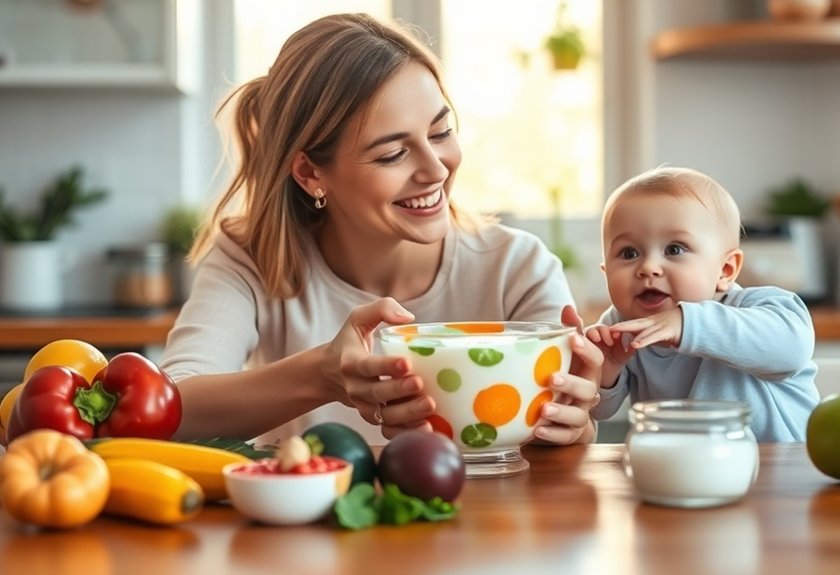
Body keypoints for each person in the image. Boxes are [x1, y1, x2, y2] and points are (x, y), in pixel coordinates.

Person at [159, 13, 601, 448]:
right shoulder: (250, 259)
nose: (435, 169)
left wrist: (574, 424)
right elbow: (166, 406)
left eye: (441, 131)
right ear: (311, 172)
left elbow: (561, 429)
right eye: (392, 154)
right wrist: (322, 375)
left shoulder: (518, 267)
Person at [585, 166, 819, 441]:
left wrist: (688, 323)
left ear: (726, 270)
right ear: (606, 272)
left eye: (674, 249)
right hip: (685, 470)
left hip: (782, 469)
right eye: (629, 253)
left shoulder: (758, 307)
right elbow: (601, 411)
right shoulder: (620, 324)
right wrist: (606, 372)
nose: (648, 267)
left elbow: (793, 349)